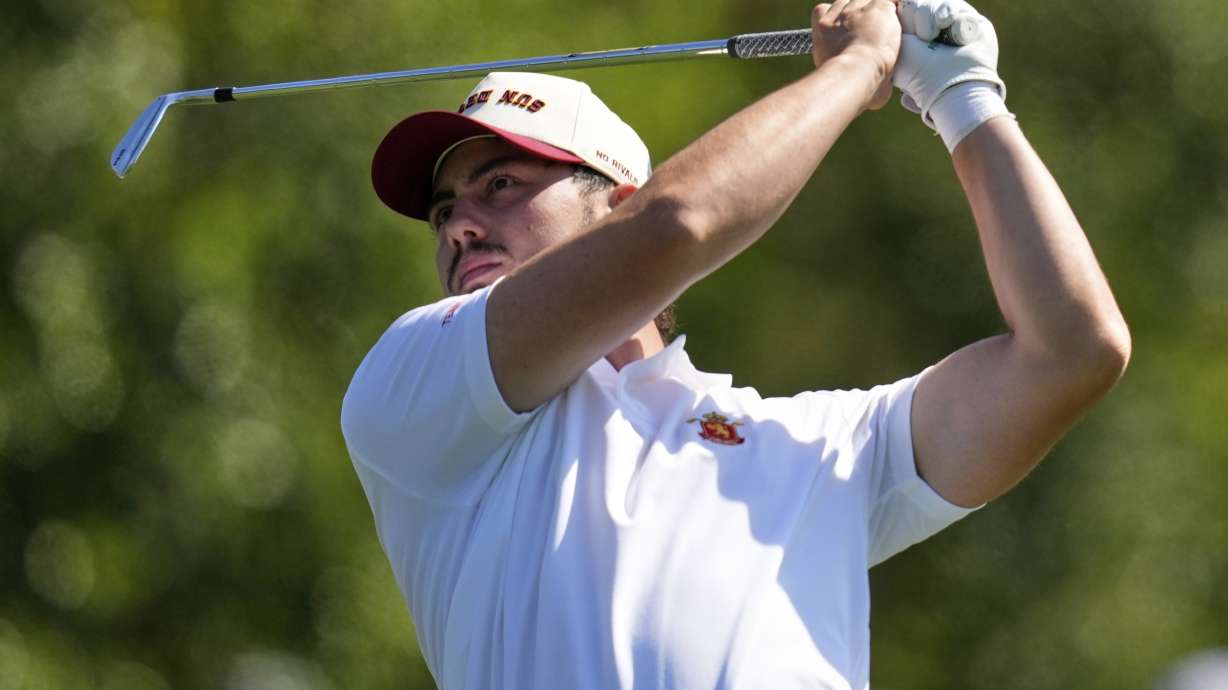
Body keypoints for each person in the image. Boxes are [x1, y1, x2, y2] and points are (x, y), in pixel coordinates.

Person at [341, 0, 1131, 687]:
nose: (459, 225)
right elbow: (678, 225)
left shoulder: (817, 446)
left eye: (500, 186)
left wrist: (961, 96)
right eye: (444, 210)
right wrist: (859, 70)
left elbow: (1071, 351)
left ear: (614, 202)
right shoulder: (421, 380)